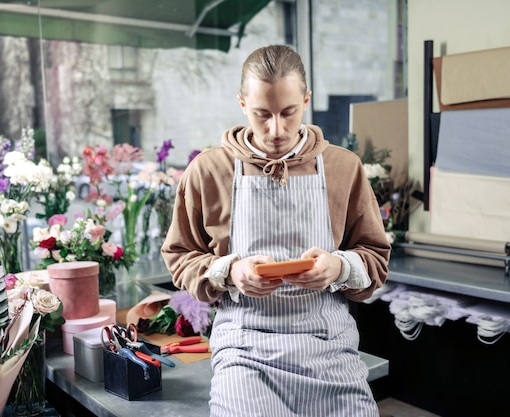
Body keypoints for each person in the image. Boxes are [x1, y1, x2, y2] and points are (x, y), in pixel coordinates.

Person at [161, 44, 391, 417]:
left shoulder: (343, 167)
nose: (277, 130)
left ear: (306, 99)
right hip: (245, 348)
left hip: (329, 347)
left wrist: (339, 267)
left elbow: (376, 257)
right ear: (241, 104)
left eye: (289, 112)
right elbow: (180, 256)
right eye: (261, 114)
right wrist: (231, 271)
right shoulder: (208, 170)